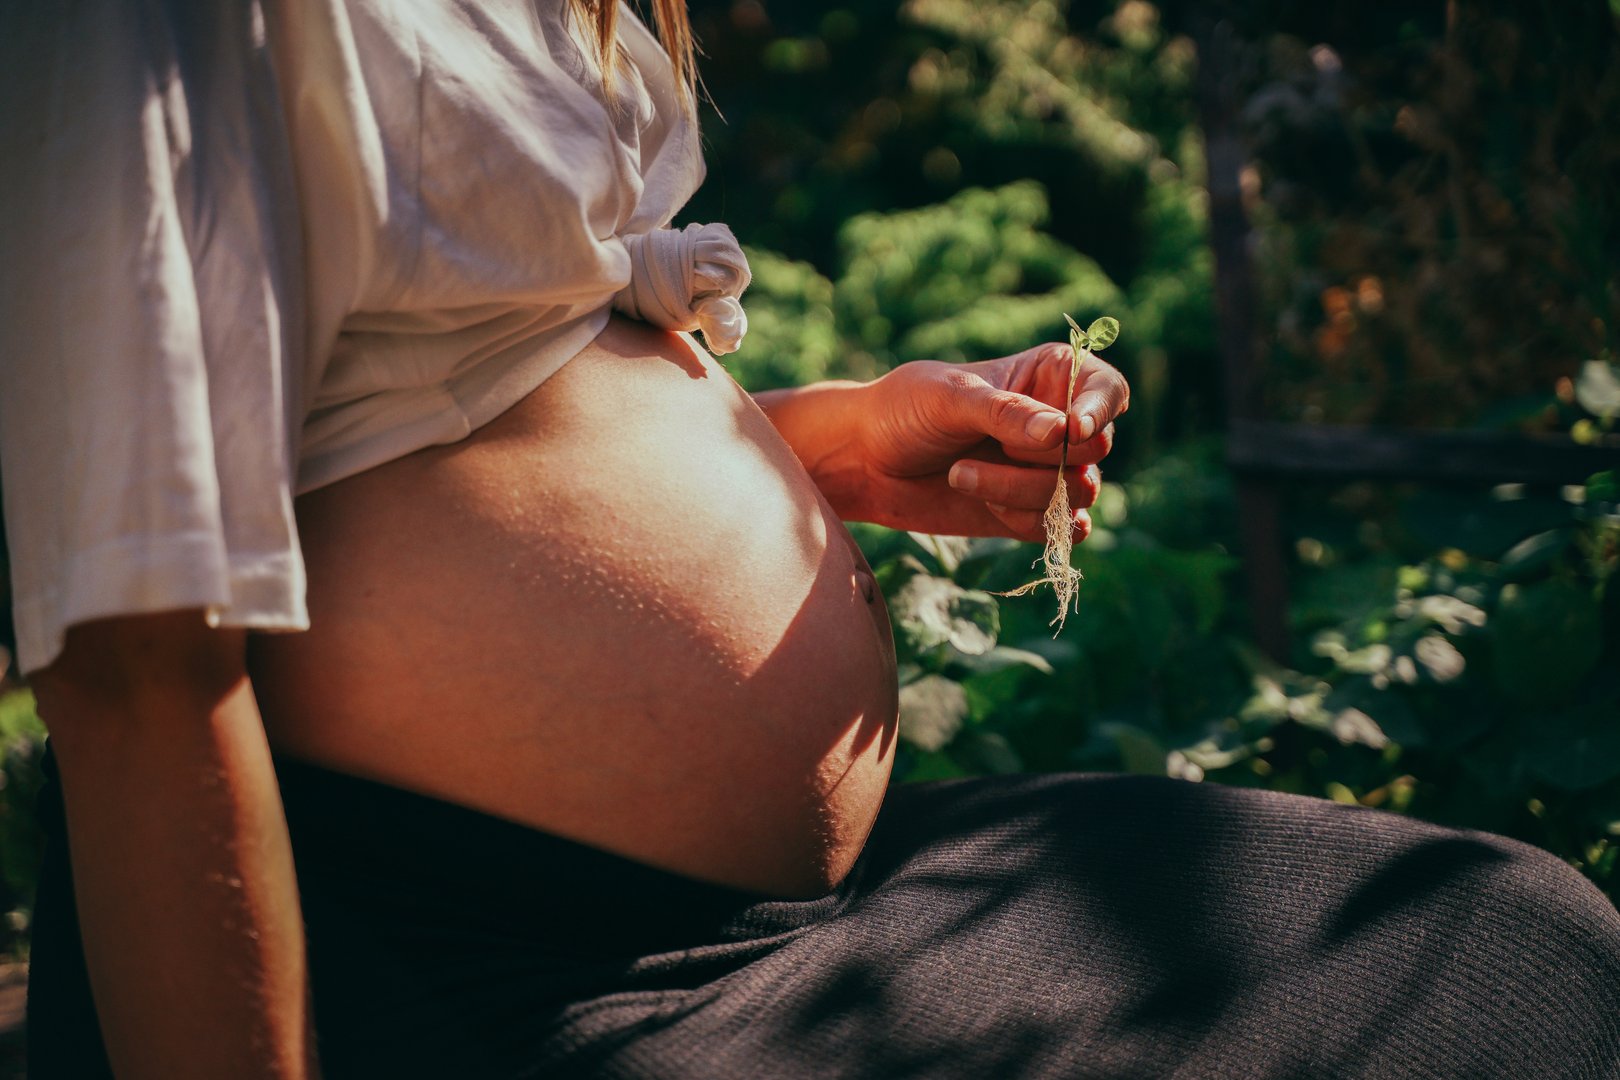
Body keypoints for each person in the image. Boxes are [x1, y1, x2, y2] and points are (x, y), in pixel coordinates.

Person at [2, 2, 1618, 1078]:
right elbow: (130, 638)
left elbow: (423, 407)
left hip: (736, 928)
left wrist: (817, 438)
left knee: (1501, 939)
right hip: (435, 968)